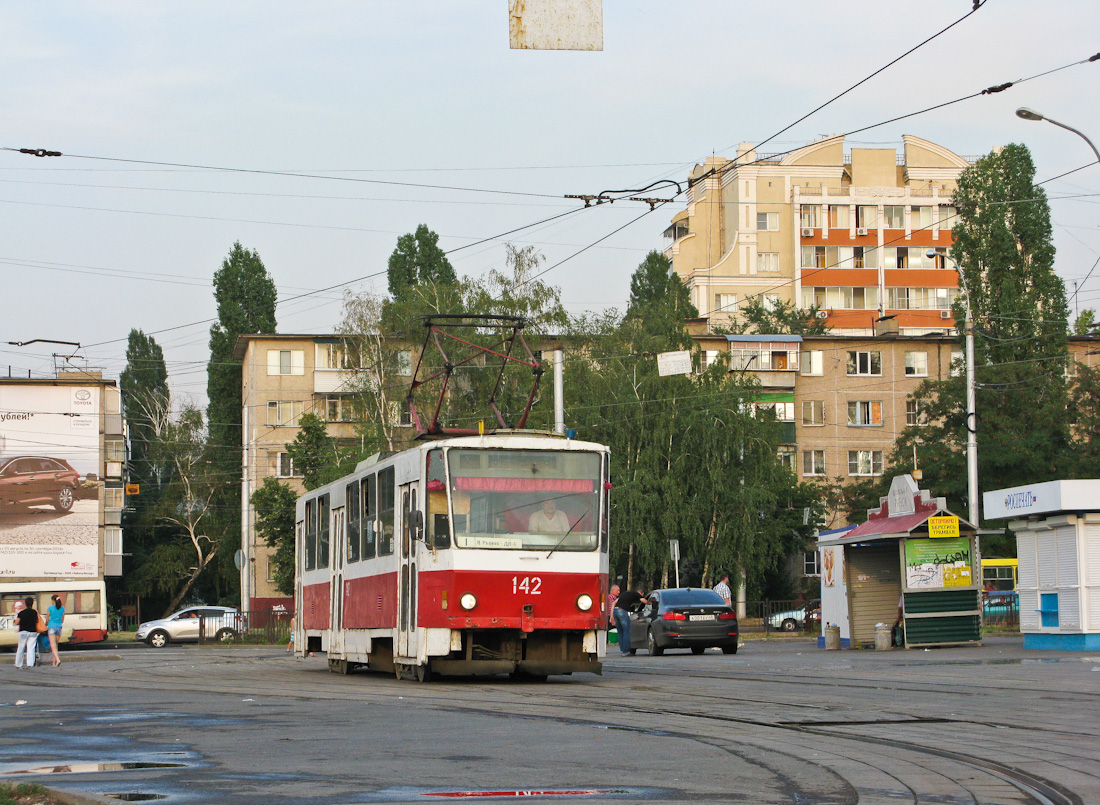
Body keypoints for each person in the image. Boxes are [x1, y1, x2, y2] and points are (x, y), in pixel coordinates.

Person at [612, 589, 644, 656]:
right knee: (626, 631)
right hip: (622, 611)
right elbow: (643, 600)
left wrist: (611, 616)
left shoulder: (625, 593)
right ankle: (626, 651)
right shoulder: (636, 594)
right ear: (641, 593)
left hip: (615, 610)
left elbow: (613, 603)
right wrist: (650, 603)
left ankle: (622, 651)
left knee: (620, 632)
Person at [14, 597, 40, 669]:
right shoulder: (34, 612)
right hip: (33, 632)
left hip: (23, 632)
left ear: (25, 603)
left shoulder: (22, 613)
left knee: (21, 648)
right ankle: (30, 664)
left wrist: (15, 621)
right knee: (31, 648)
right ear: (32, 603)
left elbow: (17, 622)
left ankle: (19, 664)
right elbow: (37, 621)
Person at [46, 594, 65, 667]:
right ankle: (54, 663)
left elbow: (47, 619)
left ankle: (58, 659)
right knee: (55, 646)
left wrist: (46, 624)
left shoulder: (50, 608)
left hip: (51, 627)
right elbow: (62, 620)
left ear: (53, 600)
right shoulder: (62, 608)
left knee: (52, 646)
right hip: (59, 627)